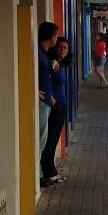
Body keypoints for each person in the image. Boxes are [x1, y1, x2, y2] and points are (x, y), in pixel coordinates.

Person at [40, 37, 72, 186]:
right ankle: (48, 171)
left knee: (54, 139)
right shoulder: (52, 63)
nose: (63, 50)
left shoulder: (61, 64)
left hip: (62, 104)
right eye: (61, 47)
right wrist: (52, 98)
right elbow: (45, 79)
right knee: (50, 140)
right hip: (55, 105)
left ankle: (51, 170)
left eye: (66, 48)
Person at [37, 21, 59, 187]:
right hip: (41, 103)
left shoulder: (44, 54)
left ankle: (39, 174)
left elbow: (43, 76)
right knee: (41, 139)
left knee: (42, 139)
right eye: (56, 36)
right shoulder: (38, 54)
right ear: (51, 37)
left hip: (46, 101)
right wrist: (34, 90)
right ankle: (37, 175)